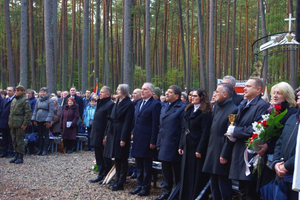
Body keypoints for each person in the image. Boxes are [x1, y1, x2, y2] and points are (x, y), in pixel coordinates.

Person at [226, 77, 269, 200]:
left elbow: (257, 129)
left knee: (250, 191)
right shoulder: (243, 104)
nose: (245, 88)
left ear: (258, 90)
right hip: (239, 150)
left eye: (249, 86)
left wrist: (236, 131)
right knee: (242, 189)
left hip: (250, 153)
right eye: (245, 86)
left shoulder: (261, 106)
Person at [258, 82, 297, 189]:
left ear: (287, 95)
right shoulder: (272, 111)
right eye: (273, 93)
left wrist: (269, 146)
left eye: (279, 93)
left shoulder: (292, 113)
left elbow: (285, 137)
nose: (275, 96)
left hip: (282, 159)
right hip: (269, 157)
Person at [202, 83, 238, 200]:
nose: (214, 94)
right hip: (213, 150)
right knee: (214, 184)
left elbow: (230, 134)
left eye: (217, 91)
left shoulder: (233, 109)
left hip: (221, 152)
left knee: (223, 185)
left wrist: (224, 153)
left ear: (225, 94)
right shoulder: (218, 107)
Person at [178, 88, 213, 200]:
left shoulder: (205, 112)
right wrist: (181, 145)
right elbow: (184, 129)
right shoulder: (188, 109)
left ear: (201, 98)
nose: (192, 98)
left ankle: (195, 196)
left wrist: (200, 149)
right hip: (187, 145)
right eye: (191, 96)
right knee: (186, 173)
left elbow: (205, 132)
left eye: (195, 96)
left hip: (197, 146)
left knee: (196, 174)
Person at [129, 83, 161, 197]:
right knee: (138, 164)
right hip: (138, 138)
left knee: (146, 166)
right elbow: (135, 121)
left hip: (147, 140)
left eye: (145, 89)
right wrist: (132, 132)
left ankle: (145, 188)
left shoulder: (155, 105)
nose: (142, 91)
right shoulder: (138, 103)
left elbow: (155, 124)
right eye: (141, 89)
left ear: (151, 92)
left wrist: (153, 141)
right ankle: (139, 185)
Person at [155, 85, 186, 200]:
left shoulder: (182, 108)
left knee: (176, 172)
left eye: (170, 92)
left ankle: (177, 194)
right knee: (166, 170)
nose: (166, 93)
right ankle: (166, 193)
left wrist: (180, 145)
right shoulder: (164, 107)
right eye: (166, 91)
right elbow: (160, 126)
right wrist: (158, 142)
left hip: (174, 145)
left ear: (177, 96)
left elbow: (183, 129)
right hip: (164, 143)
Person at [103, 84, 134, 191]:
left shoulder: (129, 104)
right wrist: (107, 133)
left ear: (124, 91)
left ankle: (121, 181)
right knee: (116, 157)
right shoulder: (117, 102)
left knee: (122, 158)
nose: (116, 91)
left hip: (121, 131)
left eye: (118, 90)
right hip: (114, 130)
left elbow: (128, 122)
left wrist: (123, 138)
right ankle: (116, 179)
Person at [271, 89, 300, 200]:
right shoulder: (293, 118)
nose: (297, 93)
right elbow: (280, 141)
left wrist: (286, 166)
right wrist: (276, 162)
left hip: (296, 177)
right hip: (283, 176)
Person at [89, 86, 114, 184]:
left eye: (103, 92)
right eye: (101, 92)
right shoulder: (99, 103)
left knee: (105, 156)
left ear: (108, 94)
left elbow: (109, 122)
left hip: (103, 133)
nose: (100, 94)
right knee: (98, 155)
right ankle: (100, 173)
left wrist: (106, 135)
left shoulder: (110, 105)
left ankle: (106, 174)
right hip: (96, 133)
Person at [8, 85, 32, 164]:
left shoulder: (25, 100)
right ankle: (16, 155)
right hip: (13, 123)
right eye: (16, 90)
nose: (16, 92)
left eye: (18, 90)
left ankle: (20, 157)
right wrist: (10, 122)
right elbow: (11, 113)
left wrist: (25, 124)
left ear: (22, 91)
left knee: (20, 141)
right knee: (14, 140)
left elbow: (28, 113)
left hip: (20, 124)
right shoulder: (14, 100)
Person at [31, 87, 54, 156]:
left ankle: (45, 150)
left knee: (46, 135)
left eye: (44, 92)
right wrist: (34, 119)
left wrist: (48, 120)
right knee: (40, 135)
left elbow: (51, 111)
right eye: (41, 92)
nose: (42, 93)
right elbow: (35, 110)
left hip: (45, 120)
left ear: (46, 93)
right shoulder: (38, 100)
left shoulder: (49, 100)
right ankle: (40, 149)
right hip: (39, 119)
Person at [0, 87, 16, 158]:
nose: (8, 92)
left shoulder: (15, 100)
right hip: (3, 121)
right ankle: (4, 151)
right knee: (4, 138)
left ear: (14, 91)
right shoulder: (5, 100)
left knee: (11, 138)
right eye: (7, 91)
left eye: (10, 91)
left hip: (11, 122)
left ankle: (11, 152)